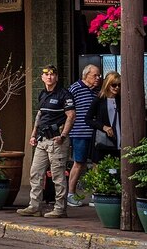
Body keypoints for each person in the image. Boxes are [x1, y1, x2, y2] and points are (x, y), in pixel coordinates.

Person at [18, 65, 75, 219]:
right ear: (42, 77)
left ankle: (60, 208)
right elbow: (40, 115)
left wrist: (63, 136)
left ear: (56, 77)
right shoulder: (42, 94)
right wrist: (33, 134)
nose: (49, 77)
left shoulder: (65, 95)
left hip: (57, 141)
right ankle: (34, 206)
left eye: (52, 74)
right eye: (46, 74)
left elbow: (71, 116)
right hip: (42, 140)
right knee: (35, 173)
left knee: (58, 176)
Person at [65, 64, 100, 207]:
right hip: (79, 132)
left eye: (99, 76)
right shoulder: (74, 88)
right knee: (79, 163)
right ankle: (71, 194)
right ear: (86, 75)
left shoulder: (98, 90)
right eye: (95, 75)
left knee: (97, 164)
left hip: (96, 133)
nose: (98, 78)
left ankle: (96, 195)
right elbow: (67, 110)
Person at [86, 71, 121, 164]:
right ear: (107, 85)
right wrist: (103, 127)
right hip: (104, 138)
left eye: (119, 85)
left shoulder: (121, 100)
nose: (117, 87)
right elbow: (88, 119)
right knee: (100, 167)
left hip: (119, 138)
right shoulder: (99, 100)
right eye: (114, 85)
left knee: (116, 169)